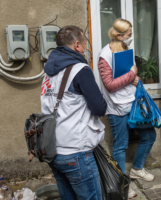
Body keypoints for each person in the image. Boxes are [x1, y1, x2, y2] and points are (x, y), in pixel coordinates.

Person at [41, 25, 107, 200]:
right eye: (85, 44)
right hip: (76, 152)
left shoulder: (47, 73)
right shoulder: (80, 70)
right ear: (77, 45)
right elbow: (100, 108)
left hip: (53, 151)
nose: (86, 49)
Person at [97, 18, 157, 199]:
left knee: (149, 135)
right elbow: (109, 84)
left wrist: (134, 79)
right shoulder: (104, 55)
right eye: (129, 35)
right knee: (120, 146)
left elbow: (127, 76)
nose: (131, 37)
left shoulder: (124, 49)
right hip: (116, 108)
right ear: (120, 35)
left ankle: (137, 169)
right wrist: (132, 74)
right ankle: (122, 185)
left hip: (133, 104)